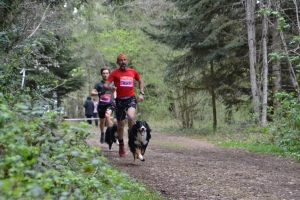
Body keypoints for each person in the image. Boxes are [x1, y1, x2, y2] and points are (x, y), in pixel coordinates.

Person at [104, 53, 144, 157]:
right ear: (118, 62)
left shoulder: (133, 71)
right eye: (121, 60)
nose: (123, 62)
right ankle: (121, 144)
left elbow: (140, 81)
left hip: (131, 99)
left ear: (127, 61)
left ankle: (131, 140)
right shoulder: (114, 73)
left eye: (125, 60)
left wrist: (141, 93)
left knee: (131, 118)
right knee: (121, 125)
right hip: (120, 101)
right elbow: (105, 85)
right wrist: (110, 88)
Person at [91, 67, 115, 144]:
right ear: (101, 74)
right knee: (102, 121)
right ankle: (102, 134)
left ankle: (109, 134)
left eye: (107, 73)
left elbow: (115, 92)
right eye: (103, 73)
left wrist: (115, 99)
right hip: (101, 105)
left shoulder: (112, 83)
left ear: (109, 73)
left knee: (107, 116)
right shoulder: (98, 84)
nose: (105, 75)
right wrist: (99, 93)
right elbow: (92, 93)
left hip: (110, 104)